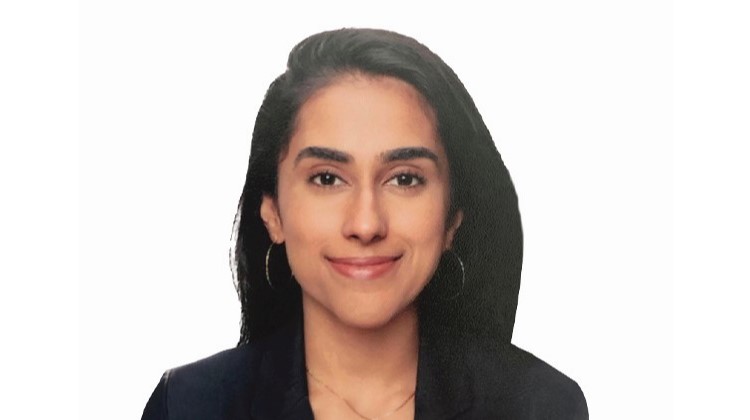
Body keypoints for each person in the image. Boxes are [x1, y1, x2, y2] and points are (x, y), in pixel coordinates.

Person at [142, 28, 587, 419]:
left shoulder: (539, 406)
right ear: (272, 212)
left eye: (405, 179)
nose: (366, 223)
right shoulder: (189, 406)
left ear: (453, 218)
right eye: (327, 178)